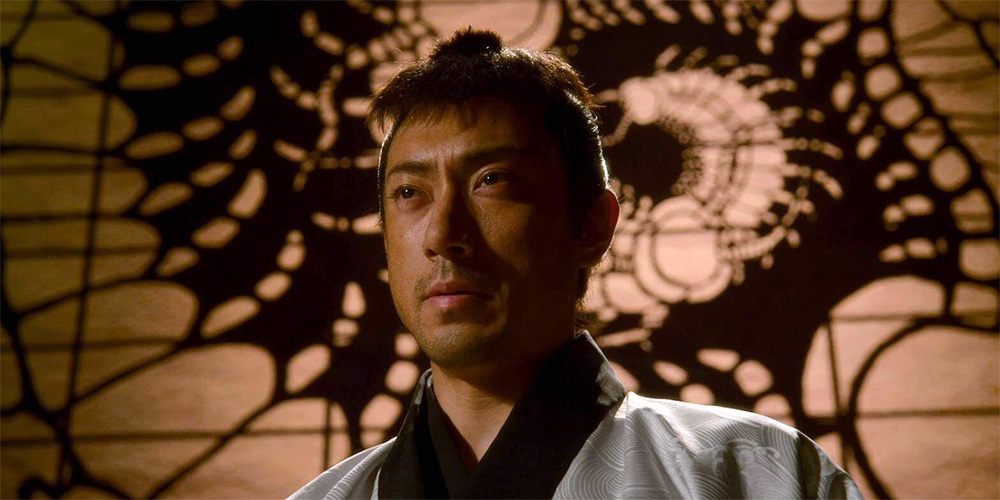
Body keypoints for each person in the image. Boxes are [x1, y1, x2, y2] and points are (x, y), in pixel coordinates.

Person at [290, 28, 862, 500]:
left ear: (591, 226)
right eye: (410, 193)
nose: (442, 236)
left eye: (493, 180)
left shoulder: (753, 474)